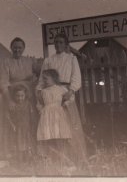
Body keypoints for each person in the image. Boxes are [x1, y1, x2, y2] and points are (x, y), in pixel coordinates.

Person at [36, 33, 88, 166]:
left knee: (69, 126)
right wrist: (39, 94)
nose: (58, 45)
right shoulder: (48, 60)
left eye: (61, 42)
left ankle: (74, 158)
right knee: (52, 127)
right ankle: (54, 158)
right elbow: (42, 79)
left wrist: (70, 92)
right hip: (51, 97)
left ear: (66, 45)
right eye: (56, 42)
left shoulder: (71, 58)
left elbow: (76, 78)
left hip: (65, 93)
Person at [0, 37, 40, 163]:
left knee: (30, 123)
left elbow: (42, 73)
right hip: (13, 96)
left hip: (28, 97)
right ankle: (11, 154)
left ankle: (32, 152)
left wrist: (36, 85)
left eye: (20, 47)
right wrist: (9, 100)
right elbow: (3, 83)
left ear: (24, 48)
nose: (17, 50)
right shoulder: (5, 62)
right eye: (15, 47)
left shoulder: (30, 61)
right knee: (13, 126)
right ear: (11, 48)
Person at [36, 69, 73, 165]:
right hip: (47, 115)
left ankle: (63, 160)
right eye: (43, 79)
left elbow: (71, 97)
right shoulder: (43, 91)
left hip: (58, 114)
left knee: (59, 135)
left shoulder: (61, 88)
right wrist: (40, 110)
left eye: (46, 78)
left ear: (53, 78)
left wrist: (66, 104)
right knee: (48, 136)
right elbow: (39, 103)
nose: (44, 81)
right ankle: (50, 160)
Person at [8, 83, 34, 165]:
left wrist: (32, 125)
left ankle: (28, 160)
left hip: (27, 128)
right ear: (14, 96)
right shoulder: (13, 105)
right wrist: (12, 125)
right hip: (18, 128)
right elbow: (7, 116)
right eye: (17, 96)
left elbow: (32, 115)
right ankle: (20, 161)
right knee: (19, 144)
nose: (20, 98)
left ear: (25, 95)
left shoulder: (28, 104)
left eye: (22, 96)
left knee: (28, 144)